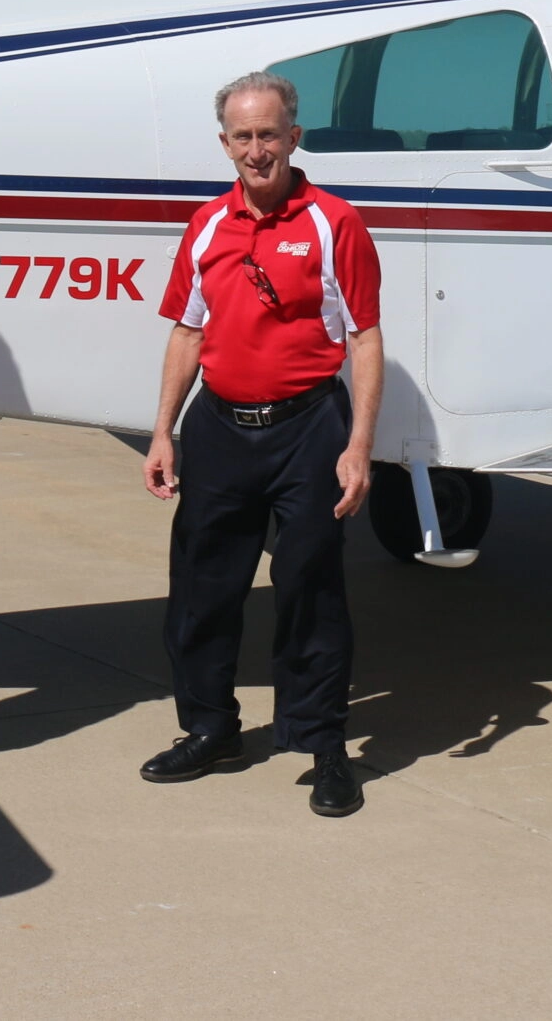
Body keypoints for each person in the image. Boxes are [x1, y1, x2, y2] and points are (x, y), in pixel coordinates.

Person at [139, 70, 383, 817]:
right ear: (225, 143)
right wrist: (163, 431)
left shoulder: (332, 221)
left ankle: (325, 744)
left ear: (293, 137)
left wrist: (358, 446)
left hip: (309, 426)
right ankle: (211, 728)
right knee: (203, 589)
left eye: (268, 133)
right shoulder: (208, 223)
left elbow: (366, 336)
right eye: (242, 136)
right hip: (219, 427)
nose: (256, 149)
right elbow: (188, 329)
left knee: (310, 588)